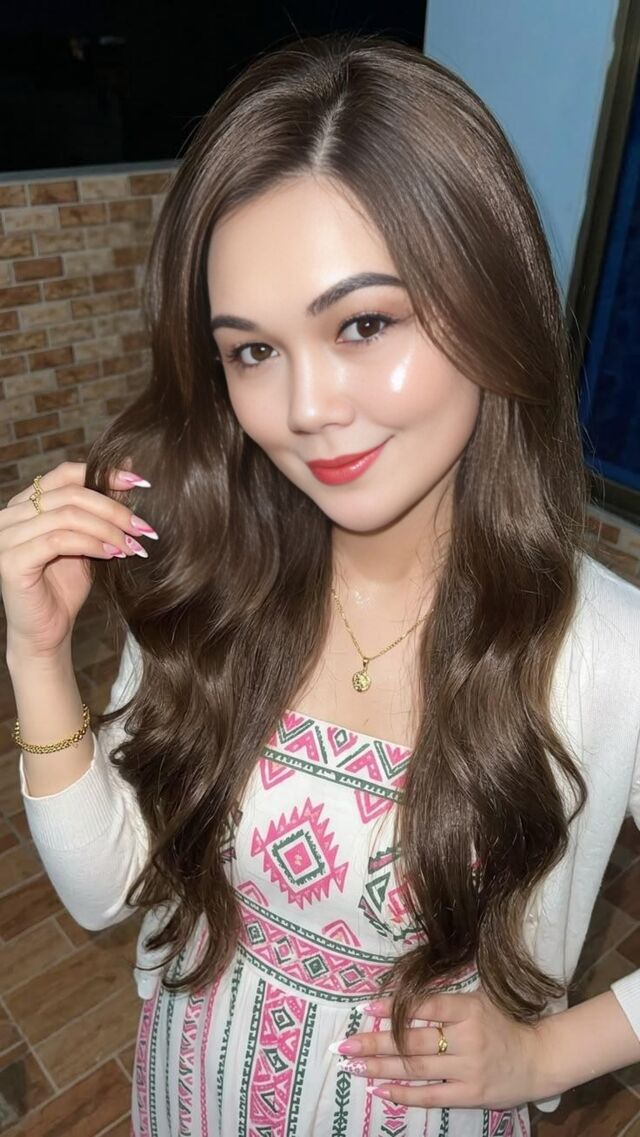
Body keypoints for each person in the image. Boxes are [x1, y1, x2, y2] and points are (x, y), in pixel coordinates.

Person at [3, 31, 640, 1137]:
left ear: (490, 299)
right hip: (186, 1088)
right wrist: (38, 653)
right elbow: (109, 889)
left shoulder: (602, 648)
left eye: (364, 324)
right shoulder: (216, 569)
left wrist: (551, 1048)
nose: (305, 411)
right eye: (252, 351)